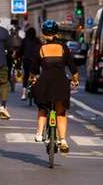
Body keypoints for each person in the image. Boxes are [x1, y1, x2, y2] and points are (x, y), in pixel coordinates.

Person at [31, 20, 78, 153]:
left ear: (43, 34)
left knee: (42, 107)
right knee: (61, 112)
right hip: (61, 83)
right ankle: (63, 139)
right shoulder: (63, 48)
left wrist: (32, 79)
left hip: (45, 83)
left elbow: (34, 69)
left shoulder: (40, 48)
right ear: (57, 33)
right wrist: (75, 80)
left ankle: (39, 133)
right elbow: (72, 68)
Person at [19, 27, 41, 100]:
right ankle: (37, 91)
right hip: (36, 61)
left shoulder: (24, 40)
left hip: (26, 61)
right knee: (37, 74)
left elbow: (21, 50)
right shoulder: (37, 41)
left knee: (26, 76)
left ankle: (24, 94)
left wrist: (17, 56)